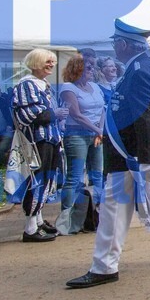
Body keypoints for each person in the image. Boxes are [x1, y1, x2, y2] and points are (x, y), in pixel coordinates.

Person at [66, 19, 150, 288]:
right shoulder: (139, 67)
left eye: (115, 43)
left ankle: (104, 266)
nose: (114, 48)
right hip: (130, 152)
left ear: (125, 44)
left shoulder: (140, 70)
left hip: (129, 154)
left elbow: (147, 118)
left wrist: (147, 161)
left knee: (114, 207)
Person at [11, 48, 68, 243]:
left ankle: (38, 220)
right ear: (36, 62)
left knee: (48, 181)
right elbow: (30, 115)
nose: (52, 65)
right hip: (37, 140)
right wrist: (56, 114)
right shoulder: (26, 84)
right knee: (37, 181)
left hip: (50, 138)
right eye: (47, 61)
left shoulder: (42, 84)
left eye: (52, 61)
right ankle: (30, 227)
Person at [57, 55, 105, 235]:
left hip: (95, 135)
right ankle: (67, 220)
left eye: (93, 67)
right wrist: (97, 129)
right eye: (88, 68)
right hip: (76, 134)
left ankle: (95, 215)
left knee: (97, 175)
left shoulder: (95, 87)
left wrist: (100, 129)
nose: (92, 70)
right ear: (77, 70)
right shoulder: (68, 88)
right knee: (74, 178)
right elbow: (76, 114)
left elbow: (102, 109)